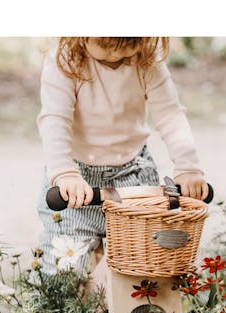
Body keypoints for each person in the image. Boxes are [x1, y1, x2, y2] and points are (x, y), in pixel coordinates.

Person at [36, 37, 207, 284]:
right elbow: (55, 120)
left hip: (132, 173)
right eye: (105, 44)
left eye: (127, 43)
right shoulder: (65, 61)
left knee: (146, 260)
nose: (115, 54)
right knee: (63, 267)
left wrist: (188, 168)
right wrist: (64, 173)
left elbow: (170, 114)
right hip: (79, 181)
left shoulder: (147, 59)